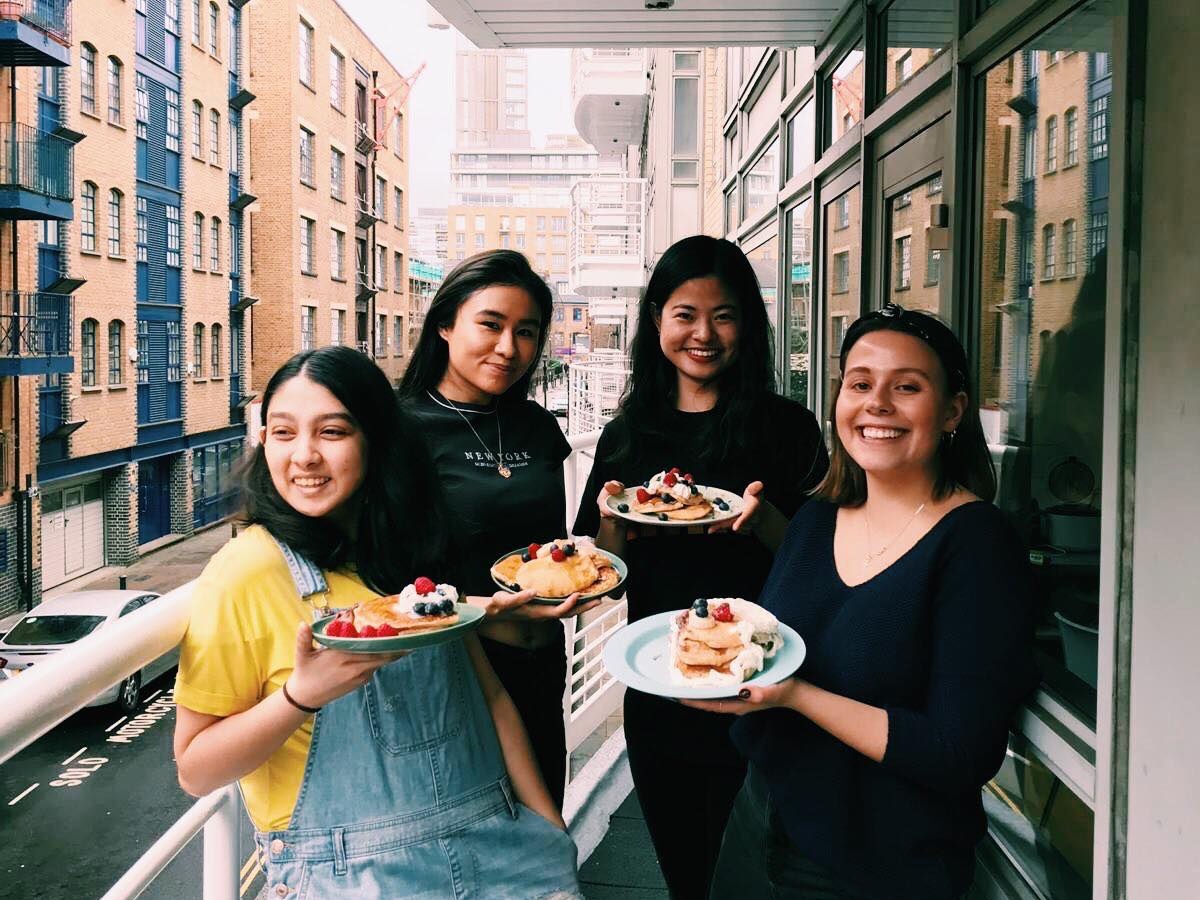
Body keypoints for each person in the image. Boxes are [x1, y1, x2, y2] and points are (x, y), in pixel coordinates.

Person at [173, 346, 580, 899]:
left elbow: (489, 699)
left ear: (377, 440)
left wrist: (551, 835)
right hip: (348, 875)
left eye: (333, 432)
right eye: (283, 432)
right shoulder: (244, 573)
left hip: (503, 852)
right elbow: (196, 770)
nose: (305, 456)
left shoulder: (409, 553)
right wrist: (301, 695)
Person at [686, 303, 1038, 900]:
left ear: (953, 410)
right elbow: (771, 647)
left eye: (907, 387)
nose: (877, 404)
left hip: (873, 862)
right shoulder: (816, 519)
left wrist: (797, 697)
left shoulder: (975, 545)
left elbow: (959, 752)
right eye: (860, 383)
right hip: (760, 818)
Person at [573, 235, 828, 900]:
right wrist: (611, 520)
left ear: (748, 325)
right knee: (688, 875)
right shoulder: (628, 433)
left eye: (724, 315)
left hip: (766, 692)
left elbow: (830, 566)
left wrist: (763, 519)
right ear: (657, 318)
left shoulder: (787, 429)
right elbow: (604, 570)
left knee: (761, 876)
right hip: (660, 691)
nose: (703, 334)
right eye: (685, 313)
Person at [398, 250, 597, 809]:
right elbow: (389, 576)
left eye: (526, 332)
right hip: (459, 666)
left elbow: (546, 548)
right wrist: (486, 605)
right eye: (490, 324)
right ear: (445, 324)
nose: (509, 348)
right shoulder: (403, 430)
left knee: (542, 829)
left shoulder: (535, 424)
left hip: (542, 662)